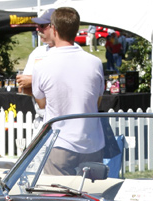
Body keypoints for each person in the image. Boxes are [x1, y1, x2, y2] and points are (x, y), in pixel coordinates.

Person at [31, 7, 105, 174]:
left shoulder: (42, 66)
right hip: (92, 142)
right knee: (91, 197)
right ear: (77, 29)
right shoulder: (95, 62)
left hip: (60, 143)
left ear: (54, 29)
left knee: (57, 197)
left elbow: (42, 104)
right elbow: (97, 101)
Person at [17, 9, 55, 133]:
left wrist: (34, 81)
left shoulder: (72, 52)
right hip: (41, 120)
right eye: (37, 26)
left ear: (54, 27)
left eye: (42, 26)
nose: (38, 29)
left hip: (62, 121)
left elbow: (64, 87)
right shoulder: (38, 52)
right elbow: (22, 86)